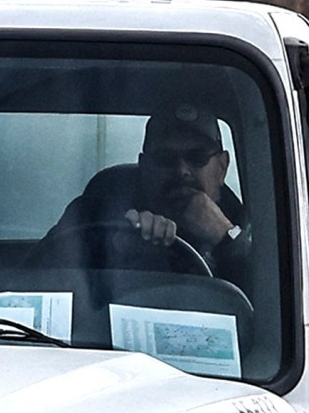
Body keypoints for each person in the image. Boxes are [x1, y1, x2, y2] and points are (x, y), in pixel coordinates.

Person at [44, 104, 250, 281]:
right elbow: (34, 276)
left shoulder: (253, 229)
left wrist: (225, 238)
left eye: (197, 157)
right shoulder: (96, 210)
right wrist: (109, 248)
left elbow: (271, 302)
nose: (182, 171)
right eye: (165, 158)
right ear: (143, 166)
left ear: (222, 167)